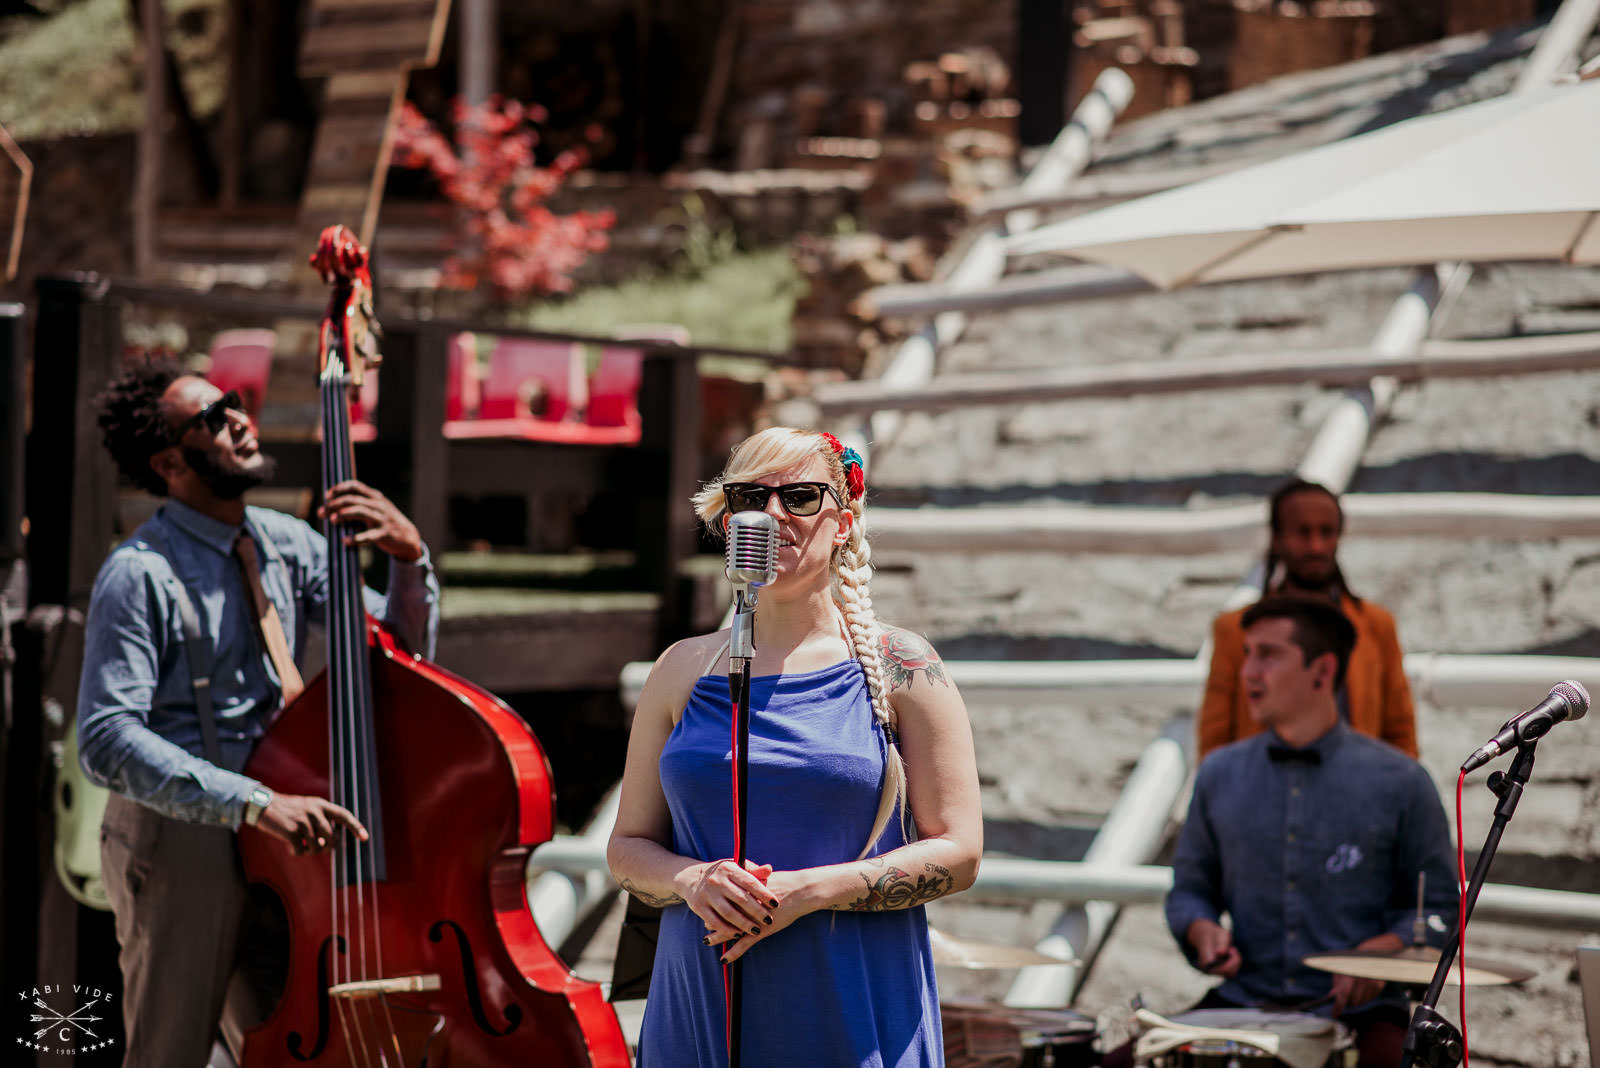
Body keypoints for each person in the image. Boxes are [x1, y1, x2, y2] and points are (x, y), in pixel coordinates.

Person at [76, 357, 440, 1067]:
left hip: (286, 838)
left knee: (292, 1047)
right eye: (213, 417)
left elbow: (392, 657)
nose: (241, 418)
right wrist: (252, 802)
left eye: (235, 403)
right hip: (182, 840)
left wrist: (408, 559)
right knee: (169, 1053)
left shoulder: (284, 542)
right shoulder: (137, 572)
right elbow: (105, 738)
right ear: (169, 462)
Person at [607, 427, 983, 1066]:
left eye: (802, 497)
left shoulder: (904, 666)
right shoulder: (680, 670)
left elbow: (960, 851)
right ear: (728, 521)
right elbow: (627, 847)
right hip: (696, 1001)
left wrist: (809, 891)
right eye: (751, 496)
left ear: (843, 523)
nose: (774, 514)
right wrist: (692, 878)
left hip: (848, 1004)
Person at [1167, 595, 1457, 1067]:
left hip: (1363, 1015)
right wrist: (1202, 930)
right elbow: (1188, 892)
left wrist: (1376, 956)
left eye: (1269, 655)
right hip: (1243, 1003)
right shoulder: (1218, 773)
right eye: (1248, 654)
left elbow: (1440, 910)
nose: (1248, 672)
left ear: (1322, 672)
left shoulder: (1403, 783)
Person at [1198, 477, 1417, 760]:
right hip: (1264, 798)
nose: (1316, 546)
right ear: (1277, 539)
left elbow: (1399, 733)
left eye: (1326, 532)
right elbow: (1215, 743)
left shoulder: (1376, 626)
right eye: (1303, 532)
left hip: (1357, 796)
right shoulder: (1235, 630)